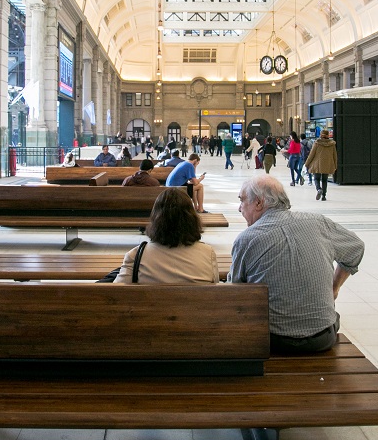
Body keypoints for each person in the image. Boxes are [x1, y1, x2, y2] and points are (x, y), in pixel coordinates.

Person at [228, 176, 364, 354]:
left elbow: (234, 292)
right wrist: (334, 286)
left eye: (242, 200)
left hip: (273, 340)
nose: (239, 208)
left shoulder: (247, 239)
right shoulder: (318, 222)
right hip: (323, 338)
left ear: (259, 203)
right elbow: (356, 247)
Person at [112, 188, 218, 284]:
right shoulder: (208, 253)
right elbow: (214, 286)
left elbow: (119, 291)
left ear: (156, 219)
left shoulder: (137, 255)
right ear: (192, 219)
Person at [304, 131, 337, 201]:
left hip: (317, 164)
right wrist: (335, 165)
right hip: (327, 164)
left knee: (316, 178)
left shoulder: (317, 143)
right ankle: (324, 196)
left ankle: (319, 189)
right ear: (328, 135)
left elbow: (311, 154)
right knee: (325, 180)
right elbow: (335, 156)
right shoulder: (332, 144)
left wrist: (307, 163)